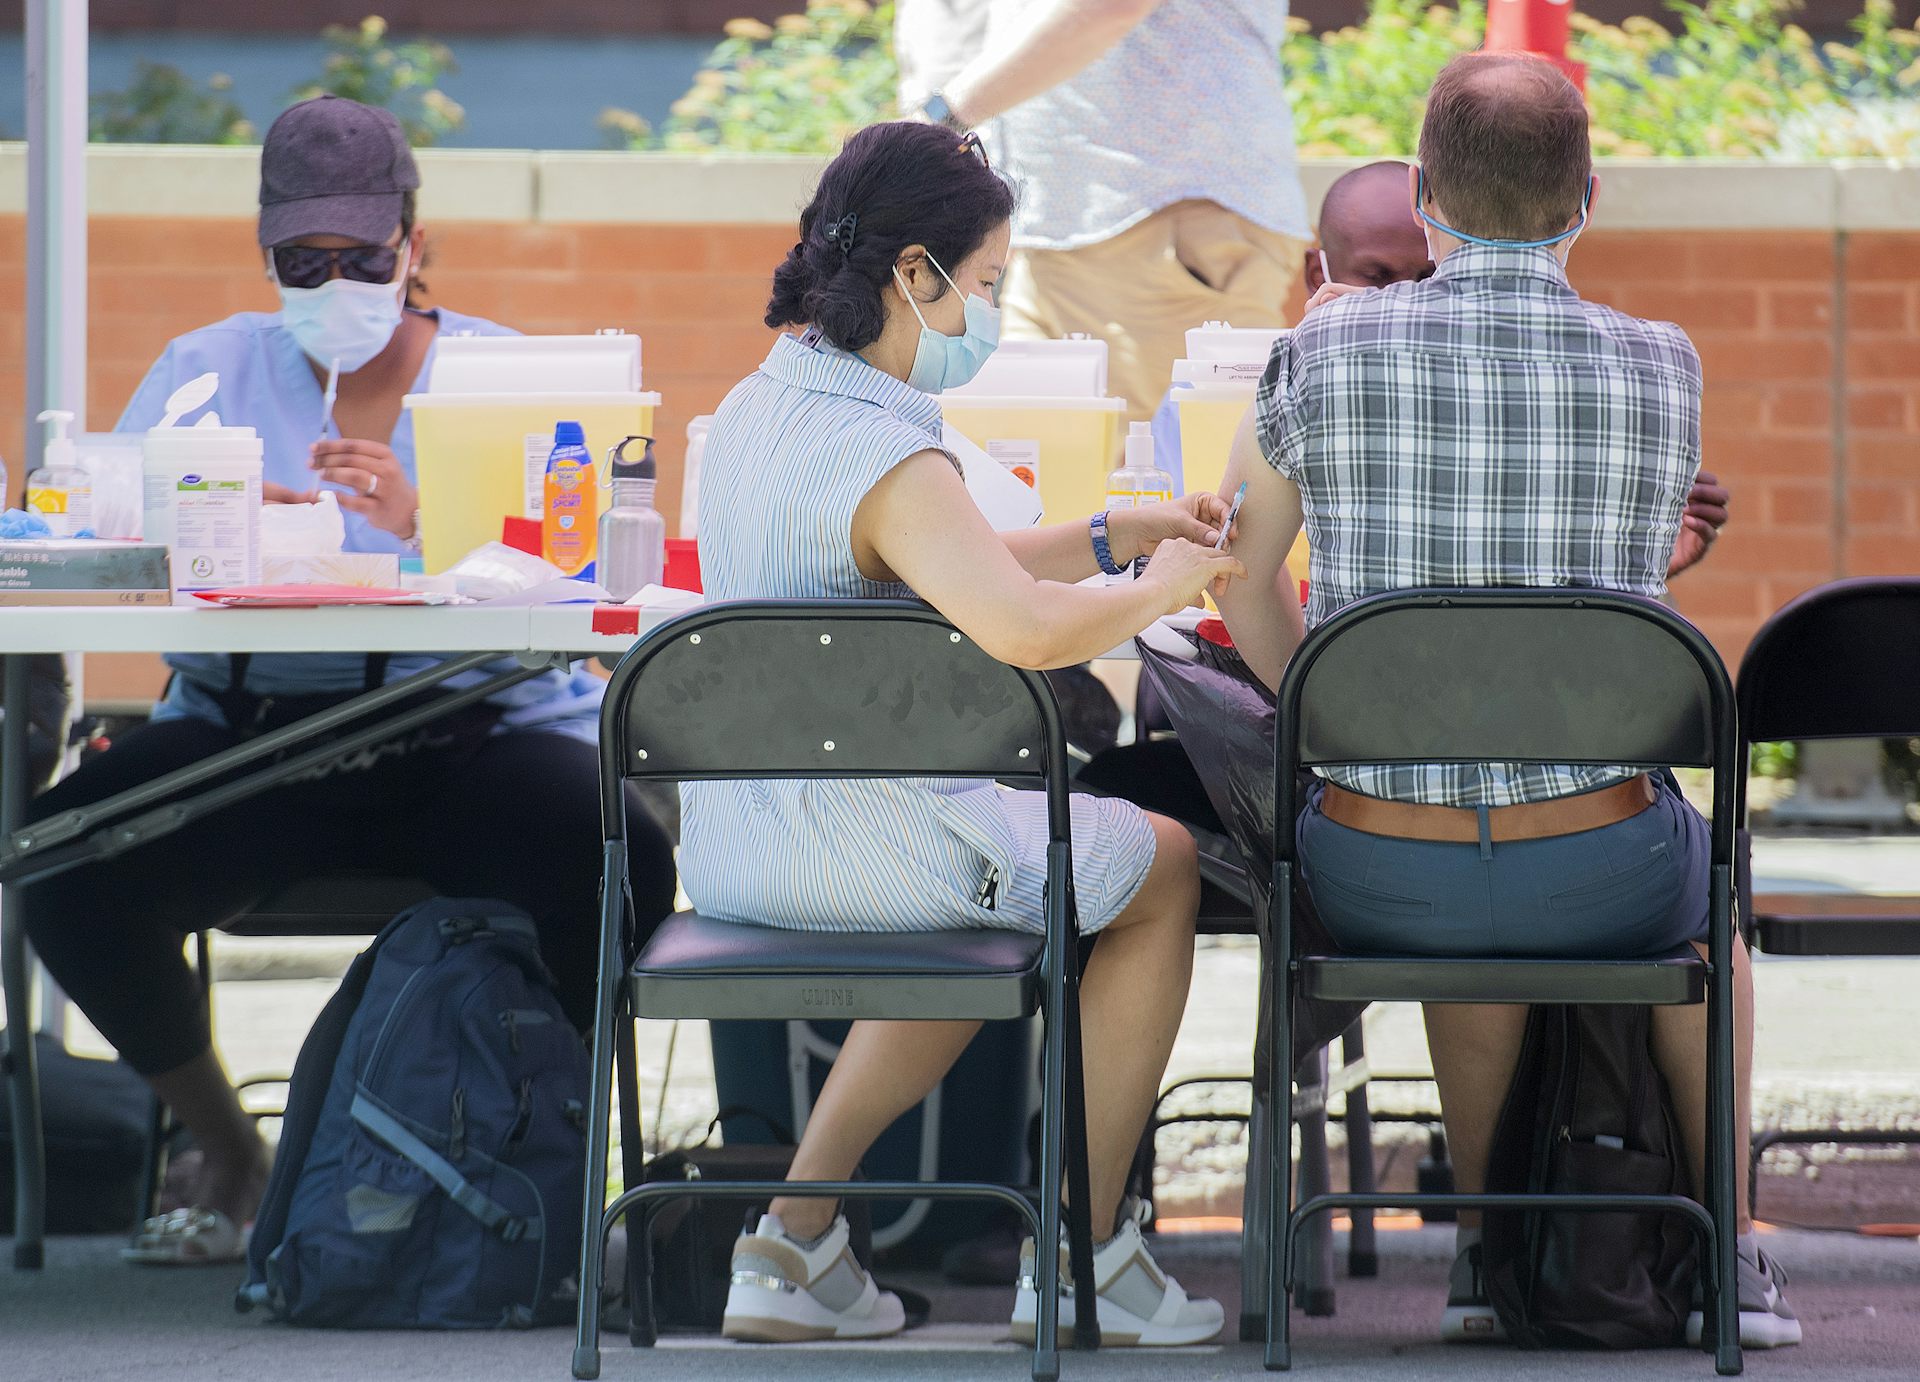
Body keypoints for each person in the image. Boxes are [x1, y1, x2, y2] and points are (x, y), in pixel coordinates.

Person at [18, 94, 676, 1266]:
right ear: (264, 256)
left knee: (612, 851)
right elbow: (104, 536)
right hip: (255, 733)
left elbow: (592, 578)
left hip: (469, 729)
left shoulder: (508, 380)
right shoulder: (204, 373)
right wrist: (219, 518)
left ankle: (533, 1145)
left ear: (415, 246)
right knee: (68, 865)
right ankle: (229, 1144)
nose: (334, 282)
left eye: (362, 256)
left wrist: (434, 524)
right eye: (301, 260)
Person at [1213, 55, 1799, 1349]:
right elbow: (1616, 599)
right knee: (1714, 917)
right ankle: (1739, 1254)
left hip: (1376, 863)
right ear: (1585, 197)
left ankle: (1485, 1252)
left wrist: (1330, 713)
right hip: (1601, 864)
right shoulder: (1663, 364)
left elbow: (1244, 581)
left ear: (1421, 194)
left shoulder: (1323, 344)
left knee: (1457, 911)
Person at [680, 121, 1243, 1347]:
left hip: (739, 846)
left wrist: (1117, 534)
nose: (991, 308)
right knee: (1163, 864)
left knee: (988, 888)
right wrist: (1174, 583)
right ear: (915, 275)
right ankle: (1086, 1251)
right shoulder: (891, 446)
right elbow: (1027, 629)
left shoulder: (761, 405)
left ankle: (792, 1240)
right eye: (986, 283)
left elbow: (948, 561)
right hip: (869, 849)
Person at [1152, 160, 1733, 579]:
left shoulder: (1518, 387)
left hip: (1361, 712)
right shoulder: (1229, 384)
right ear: (1316, 273)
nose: (1400, 303)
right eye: (1377, 279)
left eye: (1427, 282)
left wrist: (1644, 553)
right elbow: (1204, 559)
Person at [900, 0, 1310, 425]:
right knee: (1039, 469)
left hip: (1156, 223)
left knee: (1166, 477)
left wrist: (941, 121)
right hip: (1059, 243)